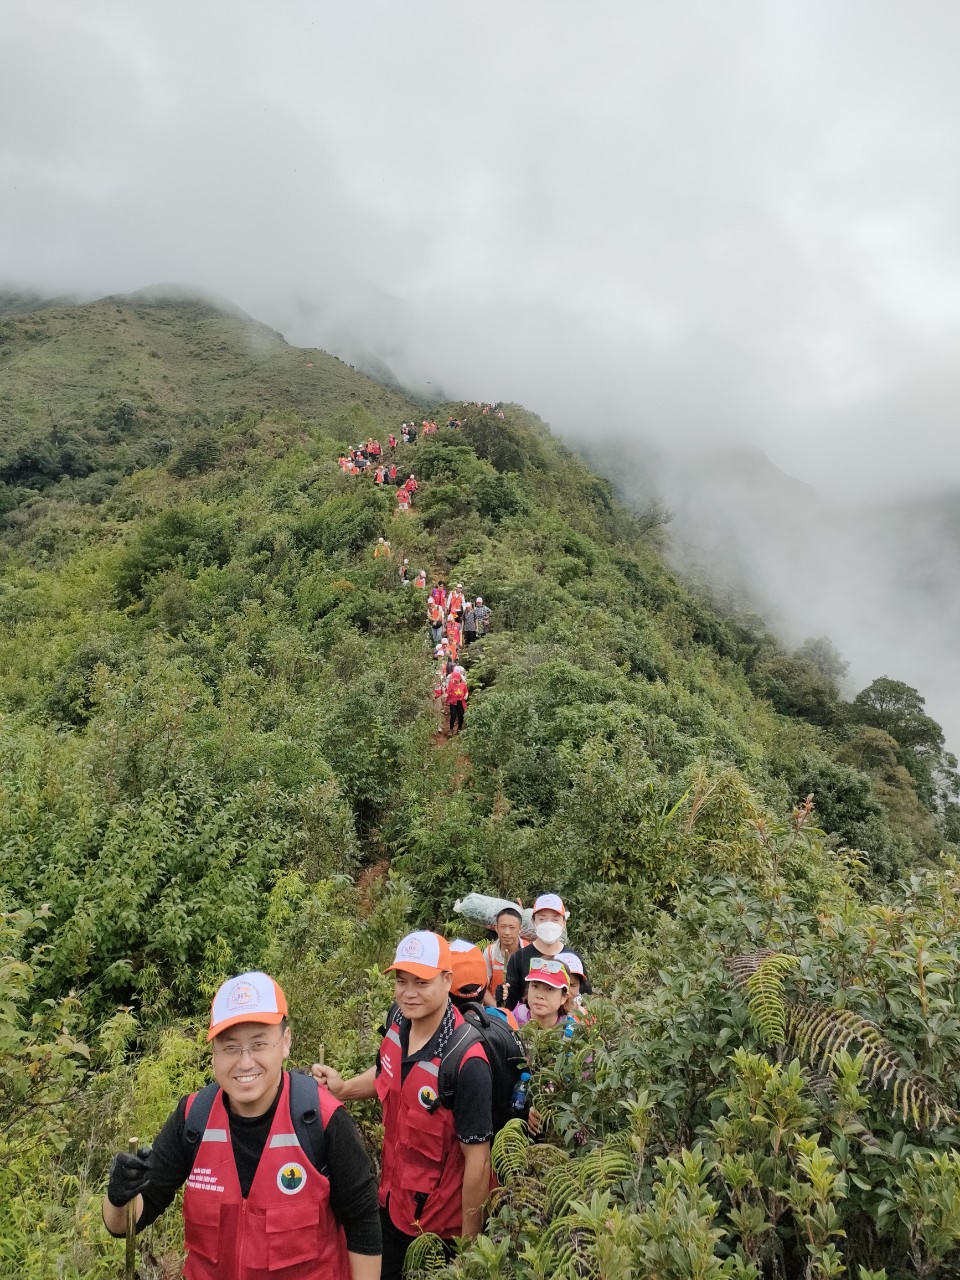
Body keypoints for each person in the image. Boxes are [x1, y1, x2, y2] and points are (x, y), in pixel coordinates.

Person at [102, 972, 381, 1280]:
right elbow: (125, 1224)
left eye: (259, 1044)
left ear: (285, 1043)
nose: (245, 1062)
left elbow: (363, 1224)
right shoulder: (193, 1119)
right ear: (214, 1055)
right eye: (230, 1047)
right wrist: (118, 1198)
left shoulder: (323, 1120)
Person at [312, 933, 492, 1280]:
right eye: (401, 981)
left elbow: (478, 1162)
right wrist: (344, 1088)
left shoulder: (466, 1063)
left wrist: (470, 1254)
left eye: (421, 982)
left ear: (447, 980)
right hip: (392, 1202)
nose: (408, 992)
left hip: (439, 1231)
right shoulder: (398, 1022)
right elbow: (386, 1073)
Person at [503, 895, 588, 1011]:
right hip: (528, 1026)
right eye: (542, 919)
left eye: (555, 919)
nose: (549, 924)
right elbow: (511, 1004)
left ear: (564, 923)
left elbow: (584, 998)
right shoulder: (519, 958)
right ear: (533, 922)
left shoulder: (574, 958)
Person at [483, 906, 525, 1007]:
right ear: (496, 928)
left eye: (512, 927)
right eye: (503, 927)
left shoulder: (528, 950)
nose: (507, 932)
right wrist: (498, 1011)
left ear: (520, 929)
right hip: (496, 1009)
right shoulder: (489, 952)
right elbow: (482, 988)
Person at [514, 959, 571, 1030]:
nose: (539, 996)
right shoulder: (510, 1021)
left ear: (564, 997)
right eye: (535, 986)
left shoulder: (572, 1031)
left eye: (549, 989)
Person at [445, 667, 468, 736]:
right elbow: (448, 692)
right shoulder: (451, 685)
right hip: (453, 702)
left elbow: (466, 692)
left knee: (461, 716)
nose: (454, 680)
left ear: (459, 679)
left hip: (461, 702)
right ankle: (451, 730)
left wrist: (466, 696)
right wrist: (445, 696)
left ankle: (459, 729)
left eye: (456, 679)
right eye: (454, 679)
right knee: (453, 715)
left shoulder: (463, 685)